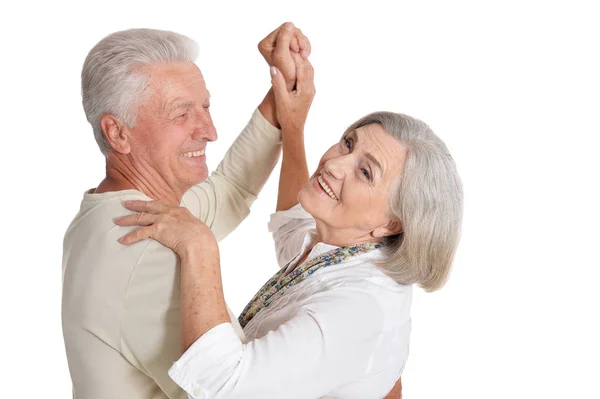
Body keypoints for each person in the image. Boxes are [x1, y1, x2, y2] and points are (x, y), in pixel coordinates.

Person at [116, 31, 463, 398]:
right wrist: (292, 122)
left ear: (392, 223)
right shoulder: (346, 247)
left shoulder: (359, 312)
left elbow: (223, 385)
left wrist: (200, 245)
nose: (334, 163)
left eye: (365, 172)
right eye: (348, 143)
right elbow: (294, 225)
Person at [62, 24, 310, 398]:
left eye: (205, 107)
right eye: (181, 115)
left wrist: (282, 92)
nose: (210, 130)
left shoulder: (119, 210)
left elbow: (229, 191)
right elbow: (235, 391)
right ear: (118, 134)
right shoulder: (149, 249)